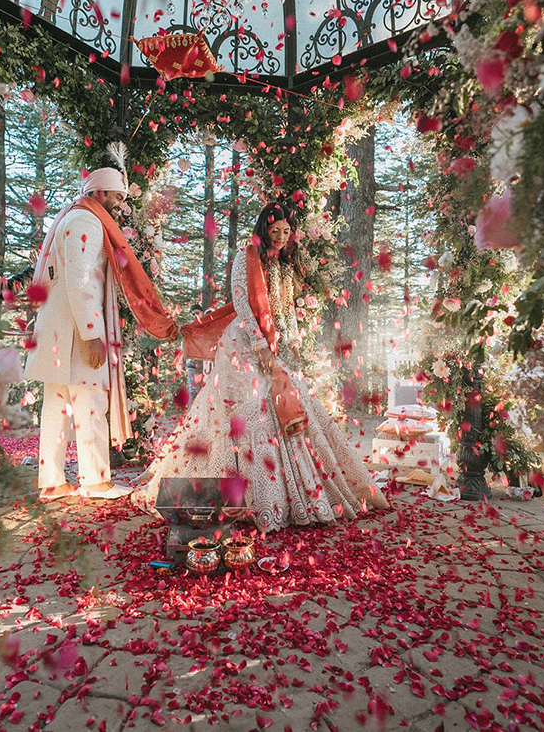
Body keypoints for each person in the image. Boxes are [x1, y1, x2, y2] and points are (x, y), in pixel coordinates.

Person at [134, 201, 388, 532]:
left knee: (288, 407)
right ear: (262, 230)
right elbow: (242, 306)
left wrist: (289, 347)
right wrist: (262, 350)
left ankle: (291, 496)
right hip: (245, 345)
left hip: (277, 344)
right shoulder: (246, 258)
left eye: (286, 232)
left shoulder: (286, 264)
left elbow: (286, 310)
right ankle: (245, 499)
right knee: (249, 411)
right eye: (274, 231)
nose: (281, 237)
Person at [25, 167, 179, 500]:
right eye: (117, 197)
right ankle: (95, 481)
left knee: (56, 406)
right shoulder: (87, 222)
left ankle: (52, 482)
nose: (121, 206)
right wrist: (93, 333)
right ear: (99, 194)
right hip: (76, 334)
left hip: (59, 329)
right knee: (90, 404)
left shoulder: (70, 218)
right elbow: (82, 281)